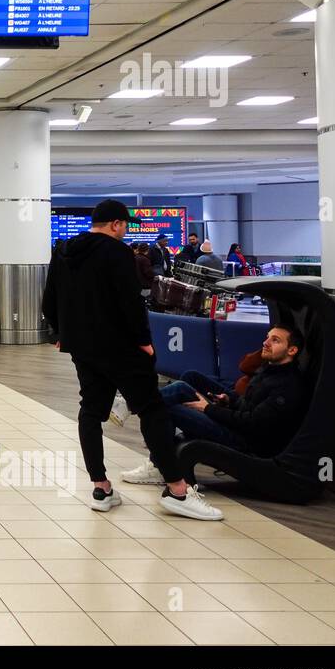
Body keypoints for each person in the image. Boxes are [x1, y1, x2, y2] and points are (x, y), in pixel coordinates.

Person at [42, 198, 223, 521]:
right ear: (115, 224)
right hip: (121, 347)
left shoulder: (63, 251)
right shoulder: (118, 253)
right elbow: (130, 302)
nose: (125, 232)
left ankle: (101, 487)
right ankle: (178, 490)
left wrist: (61, 334)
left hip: (83, 349)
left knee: (90, 411)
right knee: (151, 409)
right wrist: (144, 342)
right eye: (124, 226)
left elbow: (49, 301)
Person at [122, 326, 309, 482]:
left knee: (171, 404)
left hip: (244, 442)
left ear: (292, 350)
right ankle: (132, 407)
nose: (265, 342)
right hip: (238, 425)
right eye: (267, 337)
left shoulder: (287, 386)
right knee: (189, 379)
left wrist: (209, 409)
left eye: (275, 340)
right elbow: (249, 403)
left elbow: (253, 423)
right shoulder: (270, 370)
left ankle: (157, 464)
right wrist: (229, 401)